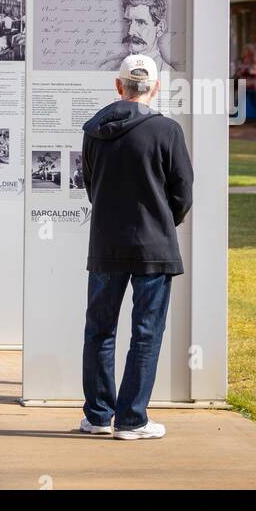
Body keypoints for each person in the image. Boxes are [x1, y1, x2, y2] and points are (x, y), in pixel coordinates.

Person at [79, 53, 193, 441]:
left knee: (99, 329)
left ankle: (97, 415)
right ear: (155, 87)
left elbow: (91, 185)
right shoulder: (167, 131)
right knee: (146, 332)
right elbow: (183, 192)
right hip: (154, 245)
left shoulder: (94, 129)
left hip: (106, 242)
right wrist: (164, 220)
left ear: (119, 86)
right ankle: (131, 420)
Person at [100, 0, 179, 74]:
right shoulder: (107, 69)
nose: (130, 31)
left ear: (160, 28)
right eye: (128, 22)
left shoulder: (172, 75)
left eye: (140, 22)